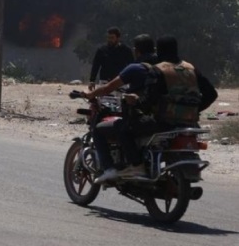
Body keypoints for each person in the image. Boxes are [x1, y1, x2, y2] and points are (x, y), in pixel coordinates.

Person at [87, 35, 217, 183]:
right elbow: (212, 94)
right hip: (189, 123)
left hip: (162, 122)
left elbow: (149, 101)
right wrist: (193, 110)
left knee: (122, 127)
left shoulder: (158, 70)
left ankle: (136, 165)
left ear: (159, 50)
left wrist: (136, 101)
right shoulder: (191, 69)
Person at [89, 27, 134, 91]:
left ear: (118, 38)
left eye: (112, 38)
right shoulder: (102, 50)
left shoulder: (126, 50)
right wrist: (92, 80)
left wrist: (132, 80)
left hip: (120, 81)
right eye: (108, 37)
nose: (110, 40)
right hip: (104, 81)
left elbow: (131, 66)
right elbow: (96, 66)